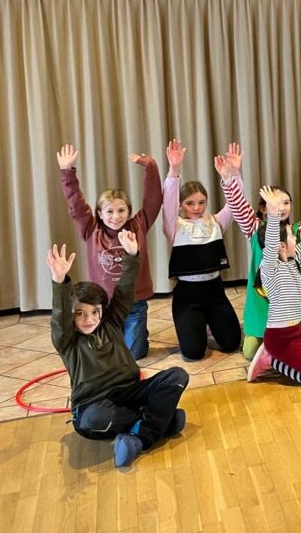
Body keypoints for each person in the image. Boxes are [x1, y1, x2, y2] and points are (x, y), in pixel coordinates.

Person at [49, 232, 189, 468]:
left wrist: (132, 255)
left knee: (177, 376)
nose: (89, 319)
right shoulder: (67, 341)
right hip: (93, 404)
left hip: (130, 392)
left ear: (102, 311)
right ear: (71, 316)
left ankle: (140, 436)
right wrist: (60, 281)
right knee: (96, 419)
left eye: (95, 312)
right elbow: (59, 316)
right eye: (80, 313)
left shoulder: (111, 323)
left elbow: (124, 290)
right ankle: (159, 421)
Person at [57, 143, 161, 360]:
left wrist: (150, 166)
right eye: (109, 211)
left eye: (121, 210)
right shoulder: (91, 229)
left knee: (134, 355)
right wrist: (67, 172)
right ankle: (127, 334)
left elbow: (153, 200)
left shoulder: (138, 225)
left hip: (134, 304)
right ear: (100, 213)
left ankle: (138, 334)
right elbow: (76, 205)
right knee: (107, 353)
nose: (116, 216)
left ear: (129, 211)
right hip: (103, 306)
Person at [218, 143, 301, 360]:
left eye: (286, 202)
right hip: (263, 300)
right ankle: (276, 349)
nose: (281, 207)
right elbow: (238, 206)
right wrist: (229, 178)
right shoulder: (255, 227)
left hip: (292, 299)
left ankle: (282, 351)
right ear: (263, 208)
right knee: (250, 352)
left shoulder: (297, 229)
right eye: (274, 203)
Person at [162, 139, 242, 360]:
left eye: (201, 202)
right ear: (180, 205)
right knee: (194, 353)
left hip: (214, 292)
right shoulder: (174, 226)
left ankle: (209, 321)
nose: (196, 208)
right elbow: (168, 203)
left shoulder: (215, 222)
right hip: (187, 296)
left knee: (232, 343)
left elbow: (236, 205)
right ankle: (195, 323)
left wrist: (233, 176)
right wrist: (174, 170)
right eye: (190, 203)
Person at [247, 185, 301, 384]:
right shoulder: (269, 267)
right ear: (281, 246)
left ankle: (286, 356)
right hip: (280, 338)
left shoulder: (294, 258)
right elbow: (271, 244)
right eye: (292, 237)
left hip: (298, 330)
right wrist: (273, 214)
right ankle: (272, 360)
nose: (296, 238)